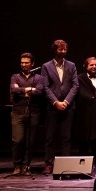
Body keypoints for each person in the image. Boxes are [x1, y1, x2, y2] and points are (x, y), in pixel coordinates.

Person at [42, 38, 78, 175]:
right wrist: (56, 102)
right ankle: (48, 163)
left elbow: (75, 85)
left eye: (64, 49)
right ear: (55, 50)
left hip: (68, 107)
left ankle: (65, 164)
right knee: (50, 137)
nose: (63, 51)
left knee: (66, 137)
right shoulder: (46, 66)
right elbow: (45, 87)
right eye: (60, 49)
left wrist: (66, 102)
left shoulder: (71, 65)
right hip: (53, 107)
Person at [9, 52, 44, 175]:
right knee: (18, 140)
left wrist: (22, 91)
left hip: (33, 112)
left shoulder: (38, 78)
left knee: (30, 141)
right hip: (18, 112)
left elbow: (39, 91)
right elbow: (14, 89)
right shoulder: (15, 77)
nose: (23, 64)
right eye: (22, 62)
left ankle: (26, 165)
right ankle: (17, 165)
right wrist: (29, 89)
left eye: (26, 62)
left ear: (32, 64)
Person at [74, 56, 96, 159]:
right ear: (86, 66)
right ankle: (82, 163)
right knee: (84, 138)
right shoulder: (79, 78)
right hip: (84, 112)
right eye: (91, 65)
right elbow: (81, 93)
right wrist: (93, 97)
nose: (94, 66)